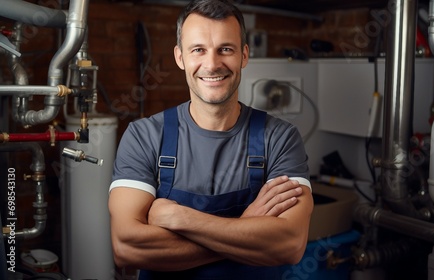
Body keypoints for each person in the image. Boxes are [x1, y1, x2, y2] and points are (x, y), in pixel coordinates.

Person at [108, 0, 313, 279]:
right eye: (198, 50)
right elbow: (127, 248)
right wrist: (247, 226)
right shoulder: (144, 136)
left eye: (225, 49)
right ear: (180, 58)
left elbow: (289, 245)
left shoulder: (280, 138)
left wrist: (182, 219)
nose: (213, 64)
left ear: (244, 55)